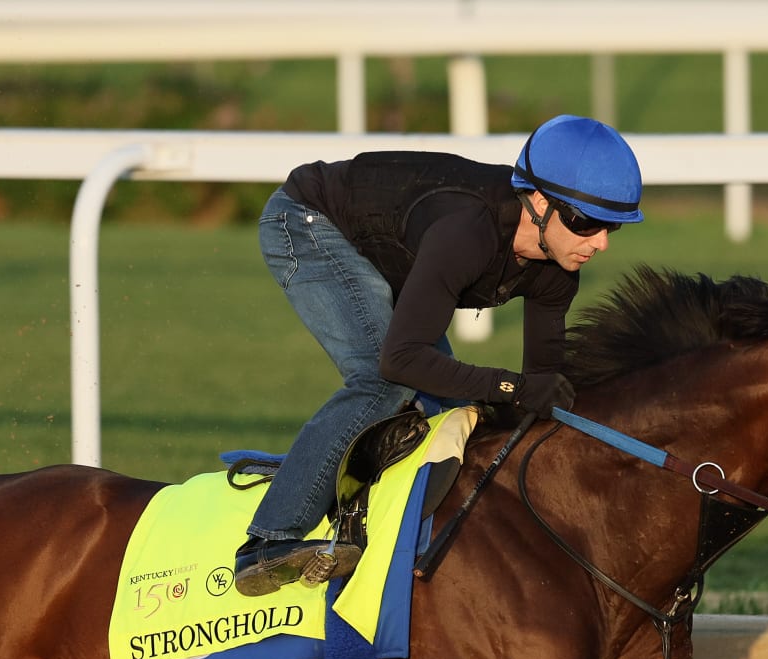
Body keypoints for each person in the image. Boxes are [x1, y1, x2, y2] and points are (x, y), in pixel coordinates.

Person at [232, 114, 645, 597]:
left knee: (452, 415)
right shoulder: (466, 233)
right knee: (383, 383)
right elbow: (400, 361)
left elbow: (539, 392)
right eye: (586, 223)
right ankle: (268, 541)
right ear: (538, 201)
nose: (599, 243)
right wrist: (510, 386)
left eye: (612, 227)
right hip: (309, 221)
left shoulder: (557, 271)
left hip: (391, 249)